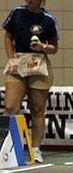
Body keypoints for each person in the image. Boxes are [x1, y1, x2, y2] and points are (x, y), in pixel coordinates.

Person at [2, 0, 58, 163]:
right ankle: (10, 147)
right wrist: (11, 59)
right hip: (18, 63)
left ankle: (35, 148)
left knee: (38, 108)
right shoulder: (17, 13)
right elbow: (8, 37)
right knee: (10, 106)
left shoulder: (48, 19)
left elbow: (54, 47)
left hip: (38, 64)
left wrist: (43, 47)